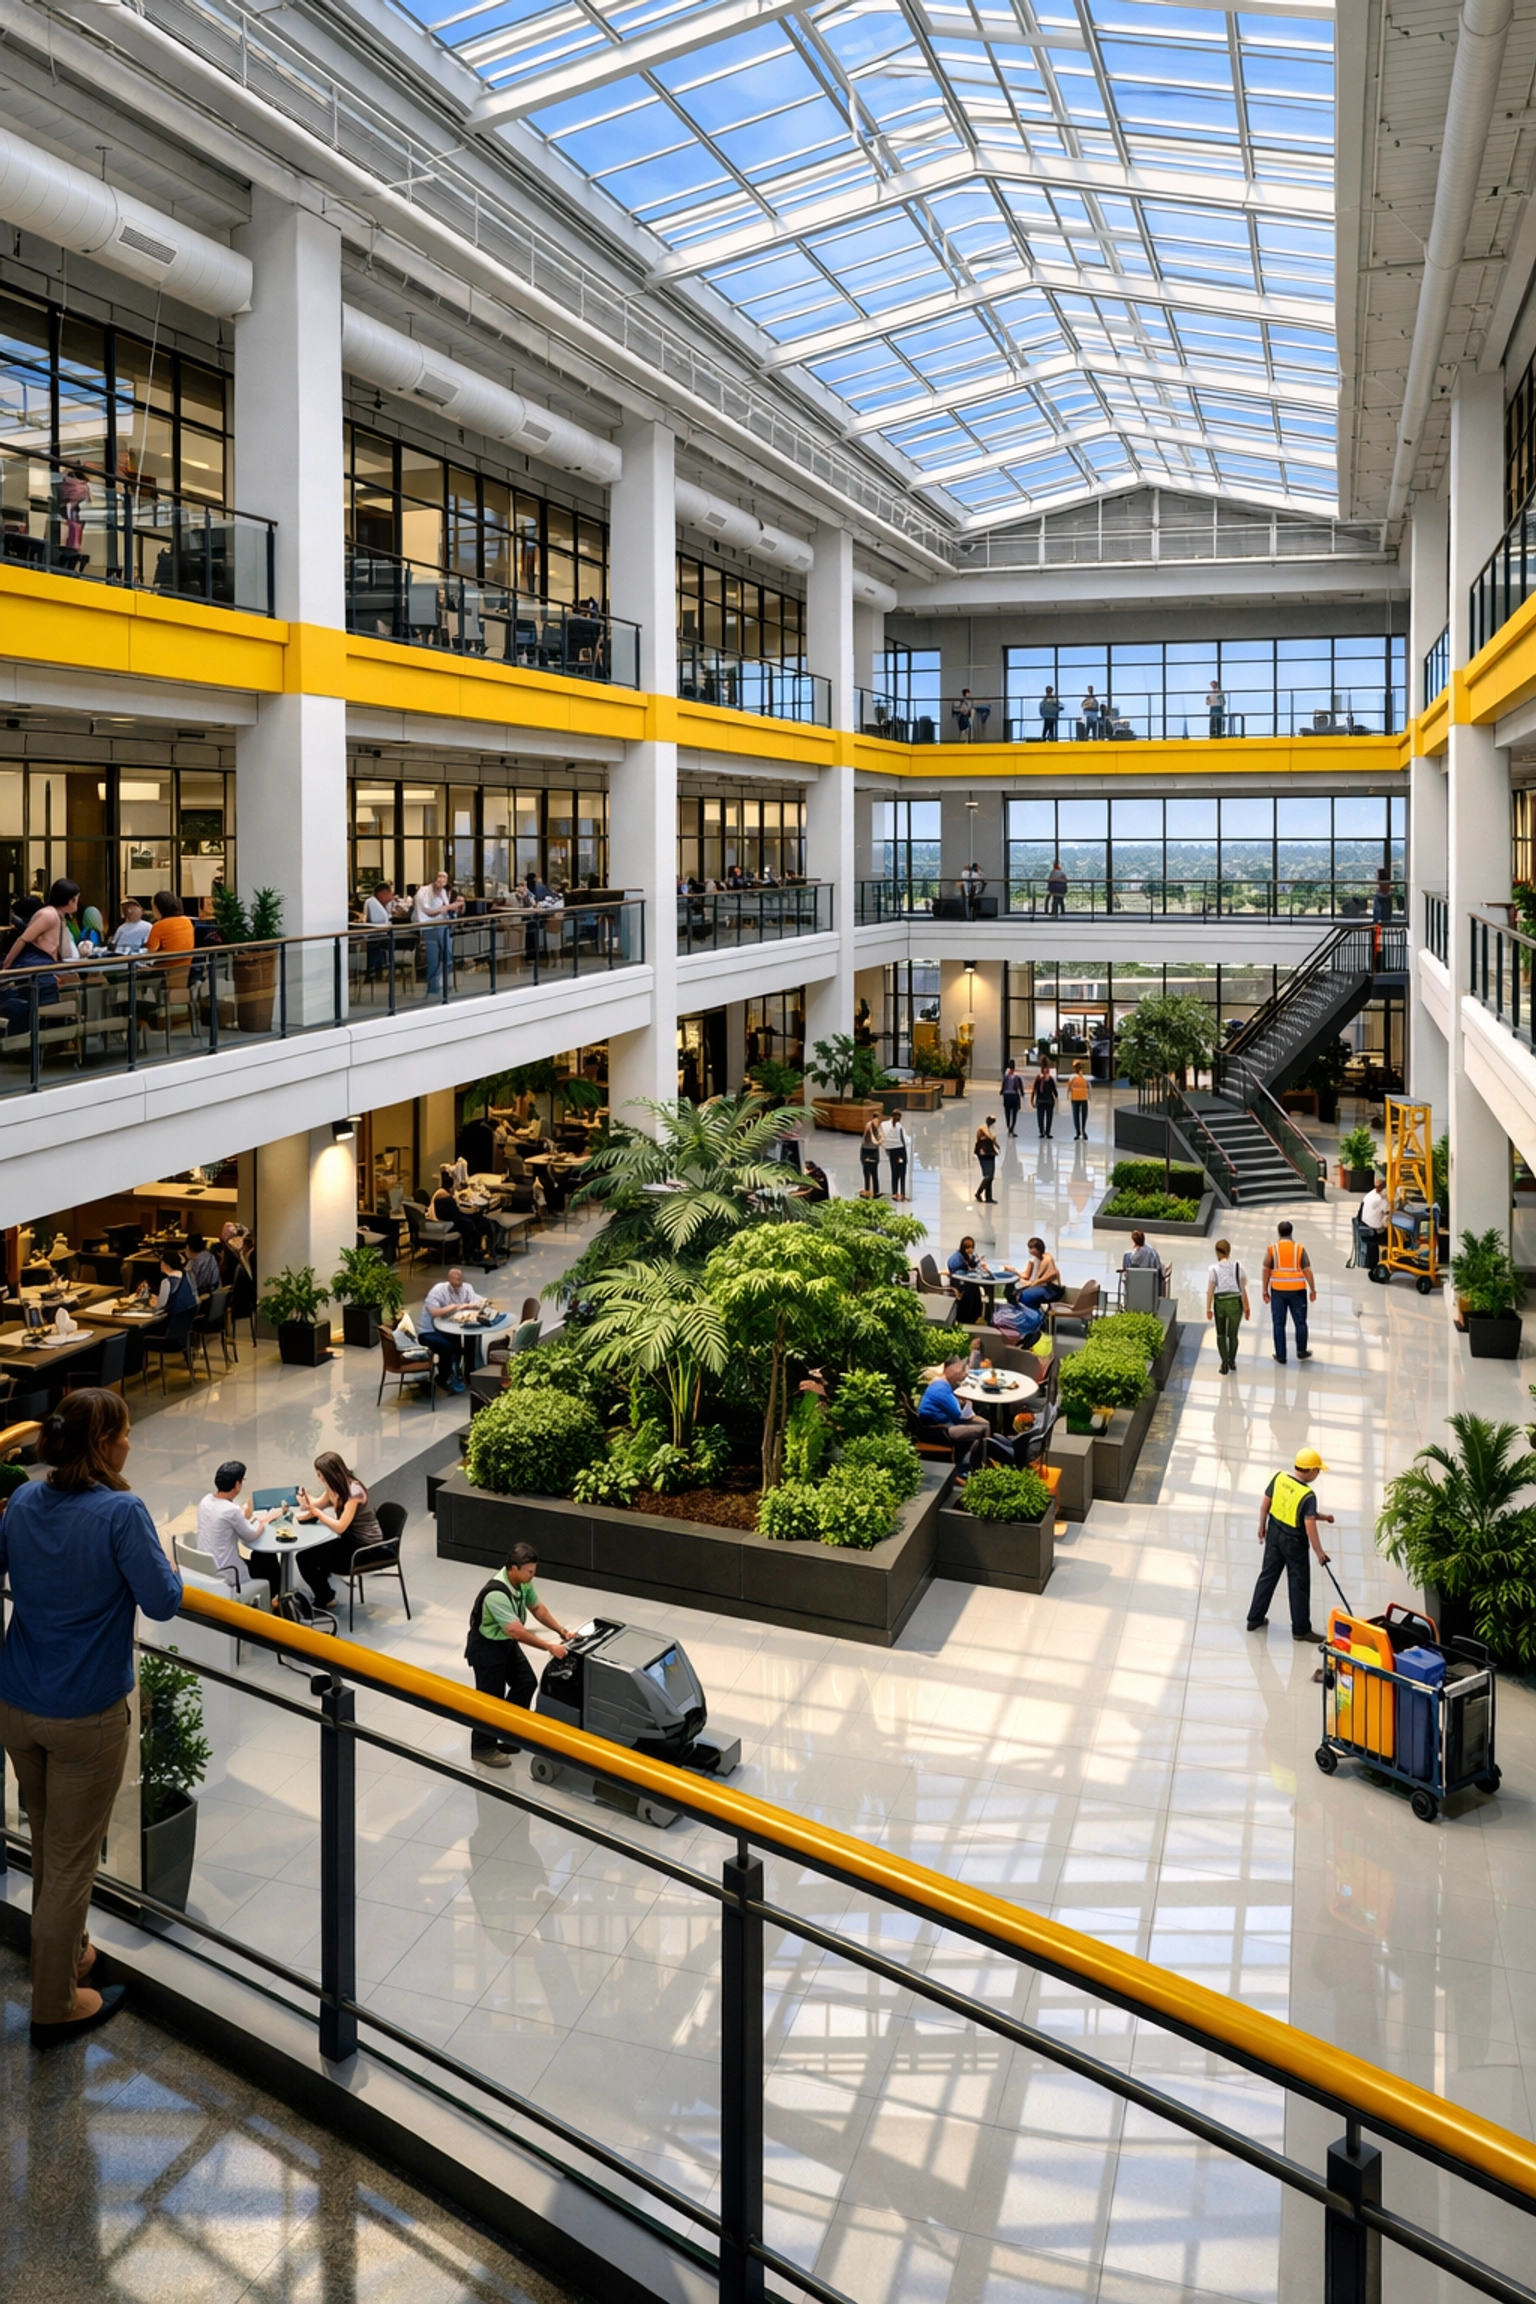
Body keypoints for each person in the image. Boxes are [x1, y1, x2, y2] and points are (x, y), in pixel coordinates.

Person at [0, 1389, 182, 2045]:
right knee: (73, 1863)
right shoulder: (121, 1513)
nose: (131, 1440)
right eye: (125, 1431)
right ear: (103, 1445)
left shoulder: (22, 1500)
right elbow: (162, 1600)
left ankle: (69, 1952)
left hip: (19, 1702)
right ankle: (53, 2005)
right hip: (85, 1716)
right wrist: (164, 1556)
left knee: (51, 1842)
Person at [464, 1541, 573, 1766]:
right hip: (487, 1649)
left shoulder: (523, 1583)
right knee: (489, 1699)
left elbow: (537, 1608)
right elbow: (517, 1631)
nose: (533, 1575)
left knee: (526, 1682)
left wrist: (561, 1631)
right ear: (514, 1568)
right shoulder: (496, 1593)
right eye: (530, 1571)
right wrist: (549, 1646)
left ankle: (509, 1731)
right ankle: (482, 1747)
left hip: (506, 1643)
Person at [1247, 1447, 1333, 1642]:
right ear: (1310, 1471)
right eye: (1317, 1471)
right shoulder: (1308, 1495)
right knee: (1298, 1583)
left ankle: (1254, 1618)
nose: (1317, 1474)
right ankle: (1301, 1629)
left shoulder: (1279, 1479)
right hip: (1294, 1542)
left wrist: (1261, 1525)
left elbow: (1265, 1504)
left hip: (1274, 1533)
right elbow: (1308, 1524)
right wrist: (1319, 1552)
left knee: (1267, 1575)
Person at [293, 1452, 386, 1611]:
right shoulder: (334, 1489)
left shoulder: (353, 1491)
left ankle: (326, 1598)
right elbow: (318, 1504)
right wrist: (306, 1500)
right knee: (308, 1556)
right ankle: (325, 1594)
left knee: (306, 1559)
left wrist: (316, 1514)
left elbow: (340, 1526)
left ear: (328, 1474)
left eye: (319, 1474)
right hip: (350, 1540)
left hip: (366, 1547)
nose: (318, 1478)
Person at [195, 1460, 276, 1602]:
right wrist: (262, 1522)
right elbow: (250, 1535)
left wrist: (244, 1515)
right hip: (228, 1573)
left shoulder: (205, 1500)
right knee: (268, 1559)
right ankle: (273, 1600)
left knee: (259, 1558)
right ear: (237, 1484)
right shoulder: (232, 1510)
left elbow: (224, 1522)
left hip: (206, 1566)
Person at [917, 1355, 990, 1470]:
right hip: (940, 1431)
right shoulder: (941, 1388)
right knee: (984, 1428)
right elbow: (959, 1417)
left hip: (939, 1427)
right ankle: (981, 1466)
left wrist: (963, 1403)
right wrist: (968, 1402)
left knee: (985, 1424)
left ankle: (969, 1462)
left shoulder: (941, 1383)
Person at [421, 1267, 484, 1393]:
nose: (457, 1287)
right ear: (448, 1280)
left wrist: (477, 1304)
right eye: (454, 1283)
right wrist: (454, 1307)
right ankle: (445, 1377)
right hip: (430, 1331)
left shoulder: (466, 1288)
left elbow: (476, 1300)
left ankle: (469, 1373)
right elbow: (434, 1312)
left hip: (450, 1327)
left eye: (459, 1282)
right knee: (450, 1347)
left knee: (469, 1339)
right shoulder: (438, 1290)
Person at [1263, 1220, 1315, 1365]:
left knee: (1279, 1323)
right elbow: (1307, 1270)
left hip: (1278, 1291)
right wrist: (1312, 1289)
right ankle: (1301, 1350)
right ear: (1291, 1232)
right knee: (1300, 1322)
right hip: (1297, 1291)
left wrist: (1264, 1290)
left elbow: (1266, 1269)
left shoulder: (1272, 1249)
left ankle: (1281, 1355)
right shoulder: (1299, 1248)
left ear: (1278, 1232)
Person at [413, 871, 464, 997]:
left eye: (444, 879)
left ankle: (441, 984)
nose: (441, 881)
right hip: (429, 928)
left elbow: (447, 910)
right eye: (439, 877)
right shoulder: (424, 892)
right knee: (433, 959)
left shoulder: (442, 893)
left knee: (447, 957)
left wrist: (455, 907)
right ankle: (433, 988)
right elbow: (428, 911)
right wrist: (447, 908)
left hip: (443, 926)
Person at [1205, 1239, 1250, 1375]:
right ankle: (1232, 1361)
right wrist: (1247, 1307)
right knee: (1233, 1335)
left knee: (1221, 1334)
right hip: (1236, 1301)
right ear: (1229, 1251)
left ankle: (1224, 1363)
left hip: (1220, 1301)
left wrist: (1208, 1308)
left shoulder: (1213, 1269)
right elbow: (1243, 1288)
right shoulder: (1238, 1267)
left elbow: (1210, 1289)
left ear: (1217, 1252)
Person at [947, 1236, 986, 1326]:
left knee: (976, 1288)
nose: (970, 1250)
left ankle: (977, 1316)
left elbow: (971, 1264)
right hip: (958, 1284)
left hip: (963, 1280)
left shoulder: (964, 1255)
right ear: (963, 1248)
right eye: (968, 1248)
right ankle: (969, 1318)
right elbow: (958, 1275)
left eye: (972, 1248)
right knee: (972, 1291)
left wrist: (978, 1261)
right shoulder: (957, 1260)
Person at [1018, 1238, 1064, 1311]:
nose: (1030, 1251)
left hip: (1053, 1290)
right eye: (1029, 1248)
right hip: (1047, 1287)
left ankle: (1035, 1316)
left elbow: (1052, 1274)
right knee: (1020, 1293)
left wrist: (1037, 1282)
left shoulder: (1047, 1258)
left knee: (1026, 1295)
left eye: (1032, 1248)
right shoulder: (1037, 1259)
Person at [363, 881, 395, 981]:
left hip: (383, 935)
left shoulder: (385, 904)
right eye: (389, 893)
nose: (391, 896)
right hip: (375, 936)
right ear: (383, 893)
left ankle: (382, 968)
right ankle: (375, 970)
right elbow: (378, 920)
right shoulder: (372, 902)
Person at [1358, 1175, 1389, 1271]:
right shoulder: (1380, 1199)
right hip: (1374, 1228)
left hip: (1364, 1223)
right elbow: (1389, 1210)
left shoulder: (1370, 1194)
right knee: (1393, 1231)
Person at [153, 1251, 196, 1317]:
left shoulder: (166, 1282)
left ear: (166, 1264)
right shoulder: (187, 1275)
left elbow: (161, 1305)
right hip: (189, 1316)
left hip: (175, 1318)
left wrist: (151, 1302)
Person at [881, 1111, 911, 1201]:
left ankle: (901, 1193)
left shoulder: (898, 1127)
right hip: (897, 1151)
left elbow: (904, 1139)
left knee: (899, 1173)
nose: (899, 1119)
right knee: (896, 1172)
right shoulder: (889, 1126)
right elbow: (904, 1140)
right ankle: (896, 1193)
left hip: (897, 1151)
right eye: (898, 1117)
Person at [973, 1115, 999, 1203]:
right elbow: (989, 1137)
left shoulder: (989, 1129)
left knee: (991, 1176)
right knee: (988, 1175)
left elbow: (992, 1140)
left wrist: (996, 1146)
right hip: (983, 1151)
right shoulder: (983, 1128)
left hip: (990, 1152)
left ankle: (989, 1197)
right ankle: (978, 1192)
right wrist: (993, 1140)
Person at [1031, 1058, 1058, 1138]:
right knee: (1049, 1118)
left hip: (1040, 1101)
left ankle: (1042, 1132)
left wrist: (1032, 1100)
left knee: (1040, 1117)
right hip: (1049, 1101)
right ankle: (1047, 1132)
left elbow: (1034, 1090)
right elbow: (1054, 1091)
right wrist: (1056, 1097)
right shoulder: (1050, 1079)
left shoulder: (1038, 1078)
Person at [859, 1113, 883, 1199]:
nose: (877, 1122)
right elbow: (872, 1138)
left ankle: (876, 1192)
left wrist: (880, 1140)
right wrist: (877, 1142)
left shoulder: (878, 1126)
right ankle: (867, 1190)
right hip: (866, 1150)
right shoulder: (869, 1125)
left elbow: (881, 1136)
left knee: (874, 1173)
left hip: (874, 1150)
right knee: (866, 1172)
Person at [1068, 1060, 1090, 1139]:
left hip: (1075, 1098)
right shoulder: (1084, 1077)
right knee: (1084, 1115)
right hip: (1084, 1097)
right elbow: (1088, 1087)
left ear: (1074, 1068)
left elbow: (1069, 1088)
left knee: (1076, 1115)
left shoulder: (1071, 1077)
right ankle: (1083, 1130)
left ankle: (1077, 1132)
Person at [1000, 1060, 1023, 1136]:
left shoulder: (1006, 1077)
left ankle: (1009, 1127)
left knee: (1007, 1113)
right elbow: (1020, 1088)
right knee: (1014, 1114)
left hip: (1007, 1096)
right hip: (1014, 1096)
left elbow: (1003, 1087)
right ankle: (1012, 1127)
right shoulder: (1017, 1078)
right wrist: (1022, 1094)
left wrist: (1001, 1092)